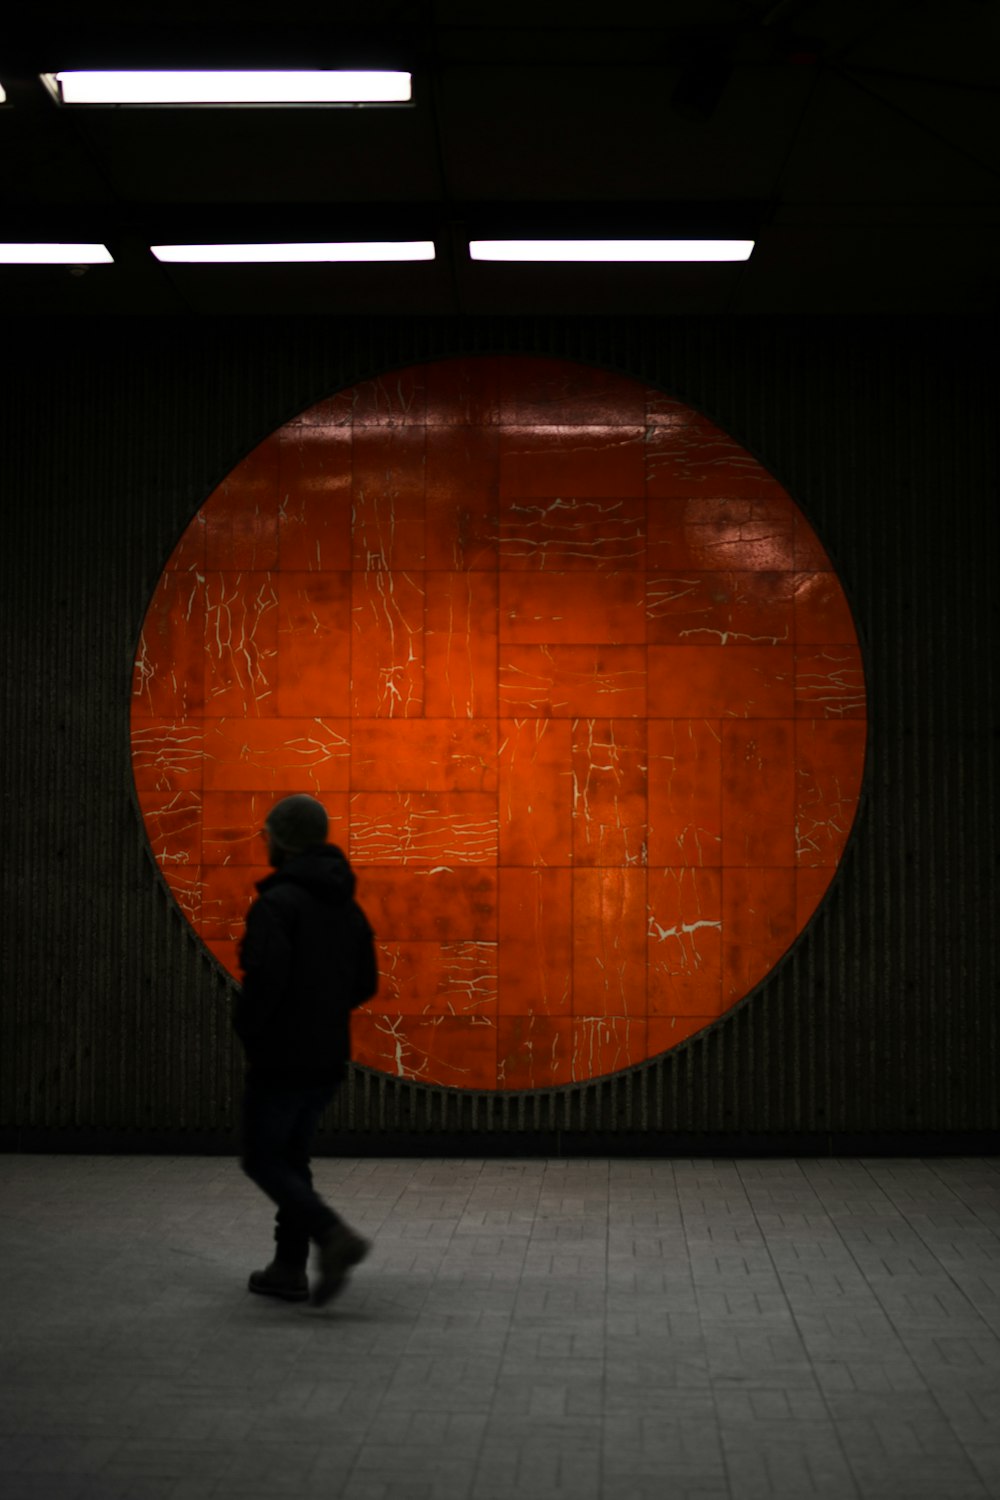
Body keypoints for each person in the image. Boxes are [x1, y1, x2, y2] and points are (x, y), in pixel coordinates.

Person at [235, 793, 378, 1306]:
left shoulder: (278, 903)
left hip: (282, 1054)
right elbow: (366, 981)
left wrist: (250, 1029)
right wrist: (325, 1009)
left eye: (268, 831)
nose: (264, 839)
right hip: (326, 1055)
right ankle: (288, 1267)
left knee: (262, 1159)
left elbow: (265, 979)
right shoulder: (346, 904)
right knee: (292, 1158)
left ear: (286, 839)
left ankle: (331, 1235)